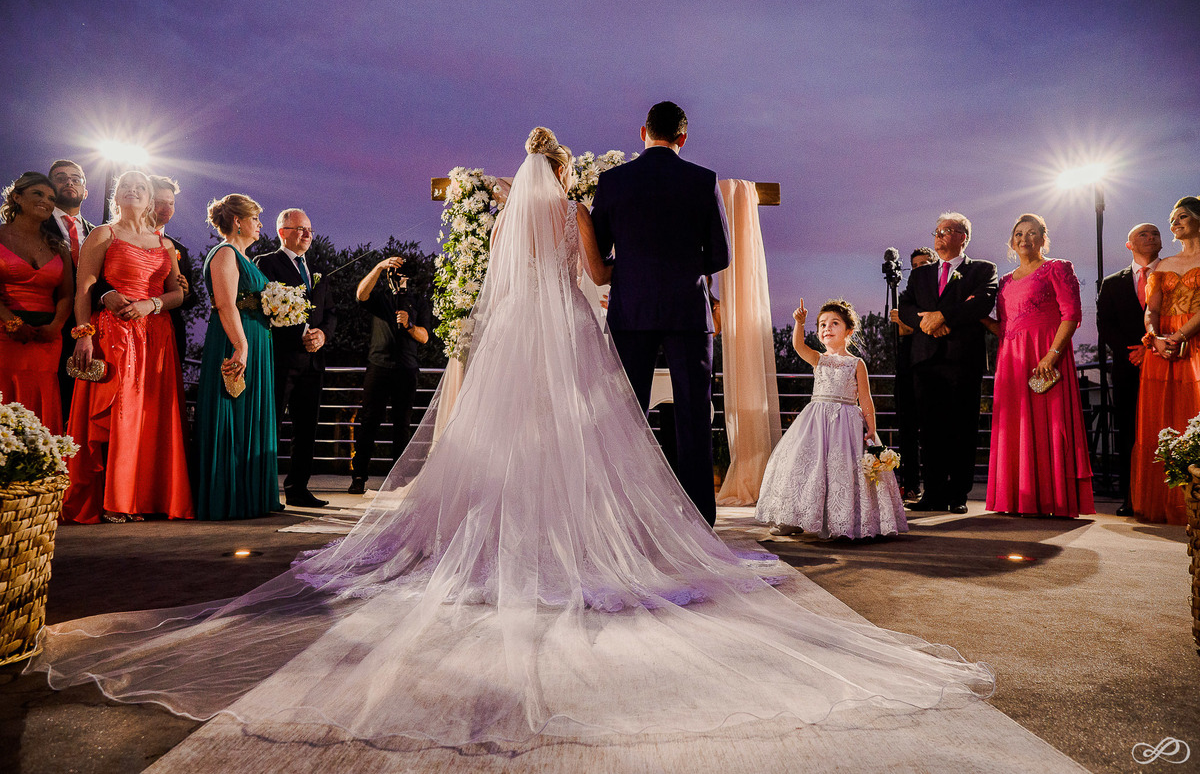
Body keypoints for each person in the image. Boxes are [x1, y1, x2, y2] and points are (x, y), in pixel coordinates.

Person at [31, 128, 992, 743]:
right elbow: (595, 277)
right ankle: (600, 527)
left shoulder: (500, 227)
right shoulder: (579, 208)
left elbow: (528, 281)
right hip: (573, 330)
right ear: (565, 176)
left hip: (519, 339)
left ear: (510, 186)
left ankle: (501, 525)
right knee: (591, 430)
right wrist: (600, 272)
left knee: (512, 433)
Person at [591, 101, 731, 526]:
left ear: (643, 133)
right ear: (682, 138)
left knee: (624, 417)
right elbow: (720, 255)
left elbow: (598, 252)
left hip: (630, 311)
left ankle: (622, 519)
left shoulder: (613, 181)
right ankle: (698, 522)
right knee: (693, 416)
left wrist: (634, 270)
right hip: (688, 313)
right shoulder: (702, 180)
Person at [61, 170, 193, 523]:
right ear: (115, 197)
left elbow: (179, 293)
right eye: (125, 188)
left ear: (150, 198)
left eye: (141, 189)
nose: (133, 192)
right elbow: (84, 288)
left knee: (152, 418)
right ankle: (115, 499)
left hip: (158, 336)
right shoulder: (104, 234)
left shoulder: (165, 245)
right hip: (115, 334)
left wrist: (153, 304)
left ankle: (141, 498)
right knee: (122, 415)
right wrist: (84, 334)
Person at [756, 299, 907, 538]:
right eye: (822, 324)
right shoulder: (818, 359)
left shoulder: (856, 364)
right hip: (815, 423)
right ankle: (794, 517)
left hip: (847, 423)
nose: (827, 328)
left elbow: (866, 399)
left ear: (848, 330)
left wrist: (871, 425)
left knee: (843, 470)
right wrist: (799, 323)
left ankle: (845, 521)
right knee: (804, 467)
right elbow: (798, 346)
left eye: (834, 323)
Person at [982, 214, 1094, 517]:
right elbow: (1004, 327)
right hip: (1011, 360)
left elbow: (1071, 315)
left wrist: (1051, 355)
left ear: (1043, 238)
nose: (1024, 239)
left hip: (1046, 355)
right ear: (1012, 241)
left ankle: (1053, 500)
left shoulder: (1057, 268)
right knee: (1013, 425)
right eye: (1019, 234)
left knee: (1051, 422)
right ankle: (1018, 498)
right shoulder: (1004, 281)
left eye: (1032, 233)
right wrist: (976, 315)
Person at [897, 212, 998, 514]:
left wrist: (945, 318)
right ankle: (933, 493)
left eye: (946, 231)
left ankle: (958, 495)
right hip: (925, 361)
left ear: (963, 237)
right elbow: (905, 307)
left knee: (963, 427)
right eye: (937, 231)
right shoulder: (921, 274)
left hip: (961, 359)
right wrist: (927, 321)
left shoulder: (981, 270)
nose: (939, 236)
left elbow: (983, 302)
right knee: (929, 430)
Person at [193, 194, 278, 520]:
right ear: (238, 221)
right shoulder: (225, 253)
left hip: (256, 340)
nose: (259, 225)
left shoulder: (243, 256)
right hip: (236, 340)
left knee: (249, 414)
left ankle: (249, 496)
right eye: (255, 218)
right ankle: (227, 498)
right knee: (232, 410)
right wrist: (241, 346)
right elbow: (225, 304)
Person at [254, 209, 337, 508]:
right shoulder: (266, 263)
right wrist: (298, 334)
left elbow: (330, 313)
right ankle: (263, 489)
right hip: (281, 358)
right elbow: (263, 308)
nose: (306, 234)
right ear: (282, 232)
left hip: (313, 361)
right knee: (271, 425)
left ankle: (298, 489)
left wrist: (322, 335)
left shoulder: (317, 270)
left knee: (306, 428)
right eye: (300, 228)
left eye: (309, 229)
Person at [1131, 197, 1200, 526]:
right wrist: (1156, 337)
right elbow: (1151, 308)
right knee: (1159, 421)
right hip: (1161, 350)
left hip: (1193, 344)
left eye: (1182, 216)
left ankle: (1191, 505)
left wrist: (1180, 336)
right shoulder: (1163, 264)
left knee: (1192, 415)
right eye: (1172, 218)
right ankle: (1160, 503)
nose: (1175, 223)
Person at [348, 255, 431, 495]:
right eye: (394, 274)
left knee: (401, 426)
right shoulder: (381, 297)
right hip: (378, 366)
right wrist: (378, 267)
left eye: (403, 275)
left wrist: (408, 326)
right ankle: (359, 477)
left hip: (406, 369)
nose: (399, 279)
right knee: (369, 423)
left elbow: (424, 337)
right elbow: (361, 294)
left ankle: (398, 479)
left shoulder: (419, 302)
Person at [1097, 224, 1162, 517]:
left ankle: (1168, 496)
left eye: (1155, 234)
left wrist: (1150, 348)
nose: (1150, 238)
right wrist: (1134, 351)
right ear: (1129, 244)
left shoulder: (1173, 273)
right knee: (1128, 433)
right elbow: (1105, 324)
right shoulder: (1111, 283)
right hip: (1127, 367)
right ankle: (1131, 497)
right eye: (1142, 235)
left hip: (1166, 362)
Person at [0, 173, 73, 432]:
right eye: (38, 194)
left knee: (42, 401)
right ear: (16, 197)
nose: (47, 201)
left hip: (47, 338)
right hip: (4, 334)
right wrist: (12, 322)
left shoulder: (58, 245)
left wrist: (56, 326)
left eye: (52, 198)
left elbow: (67, 294)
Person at [43, 160, 94, 423]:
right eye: (61, 177)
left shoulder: (98, 233)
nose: (69, 182)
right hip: (44, 325)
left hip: (88, 331)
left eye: (76, 178)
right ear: (50, 187)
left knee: (79, 406)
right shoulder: (35, 227)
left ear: (86, 191)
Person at [889, 246, 934, 501]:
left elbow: (917, 328)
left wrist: (908, 323)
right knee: (906, 426)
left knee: (931, 428)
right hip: (907, 363)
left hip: (929, 364)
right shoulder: (907, 295)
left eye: (925, 264)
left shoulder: (937, 294)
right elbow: (903, 331)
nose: (920, 269)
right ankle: (910, 483)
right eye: (915, 266)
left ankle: (934, 484)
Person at [148, 176, 198, 365]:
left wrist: (185, 293)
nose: (167, 209)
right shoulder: (121, 238)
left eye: (171, 203)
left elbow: (192, 300)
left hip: (169, 331)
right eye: (161, 203)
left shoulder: (179, 249)